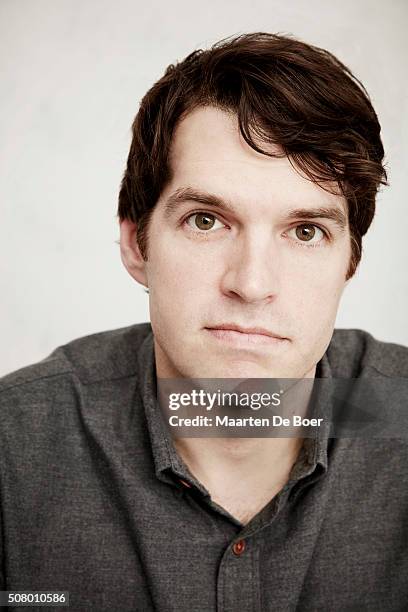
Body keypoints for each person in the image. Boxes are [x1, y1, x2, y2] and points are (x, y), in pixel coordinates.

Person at [1, 32, 407, 611]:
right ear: (136, 243)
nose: (251, 283)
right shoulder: (15, 449)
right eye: (206, 221)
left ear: (350, 262)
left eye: (306, 231)